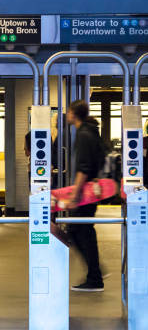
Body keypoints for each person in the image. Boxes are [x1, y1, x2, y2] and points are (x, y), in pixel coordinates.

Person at [65, 100, 106, 292]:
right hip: (92, 191)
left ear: (74, 114)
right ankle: (95, 272)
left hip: (85, 192)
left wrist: (75, 195)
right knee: (82, 230)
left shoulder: (83, 134)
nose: (66, 114)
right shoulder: (92, 132)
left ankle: (95, 276)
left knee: (77, 230)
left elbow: (83, 168)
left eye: (68, 111)